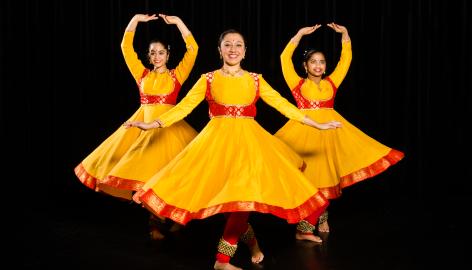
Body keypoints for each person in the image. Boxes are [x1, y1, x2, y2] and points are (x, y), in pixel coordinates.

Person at [124, 29, 342, 270]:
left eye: (238, 45)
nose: (233, 49)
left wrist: (316, 123)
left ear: (245, 51)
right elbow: (183, 107)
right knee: (232, 205)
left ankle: (222, 260)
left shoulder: (256, 80)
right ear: (220, 50)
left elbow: (283, 104)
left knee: (242, 200)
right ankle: (252, 244)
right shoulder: (208, 79)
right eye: (228, 44)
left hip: (250, 144)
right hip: (216, 145)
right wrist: (152, 123)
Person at [74, 13, 199, 240]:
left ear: (169, 54)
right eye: (153, 53)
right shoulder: (141, 75)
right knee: (143, 173)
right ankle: (155, 221)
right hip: (143, 127)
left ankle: (174, 217)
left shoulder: (177, 75)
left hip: (169, 127)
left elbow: (193, 49)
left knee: (171, 175)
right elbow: (125, 47)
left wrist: (179, 22)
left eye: (161, 52)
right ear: (149, 57)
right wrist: (135, 20)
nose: (157, 56)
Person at [275, 23, 405, 234]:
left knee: (327, 180)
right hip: (305, 134)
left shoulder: (332, 83)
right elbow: (283, 59)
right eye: (313, 62)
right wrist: (298, 35)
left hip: (330, 135)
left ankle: (319, 220)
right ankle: (305, 228)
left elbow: (346, 61)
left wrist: (345, 35)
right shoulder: (297, 85)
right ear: (305, 66)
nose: (318, 65)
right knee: (310, 182)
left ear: (325, 67)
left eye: (322, 62)